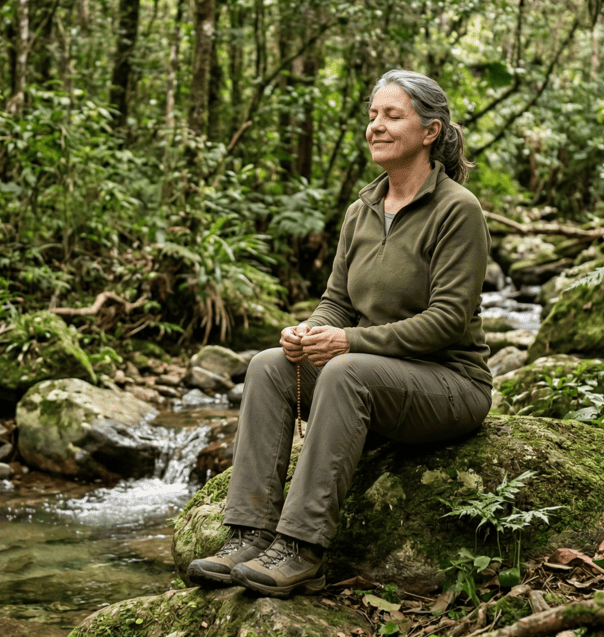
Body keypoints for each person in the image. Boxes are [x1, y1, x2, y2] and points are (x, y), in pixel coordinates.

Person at [186, 69, 493, 598]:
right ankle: (247, 534)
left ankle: (301, 551)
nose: (375, 125)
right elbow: (338, 303)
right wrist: (310, 332)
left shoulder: (457, 211)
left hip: (450, 383)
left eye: (392, 115)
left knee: (347, 371)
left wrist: (347, 342)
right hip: (377, 376)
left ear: (431, 131)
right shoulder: (362, 210)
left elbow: (447, 320)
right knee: (267, 364)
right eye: (373, 115)